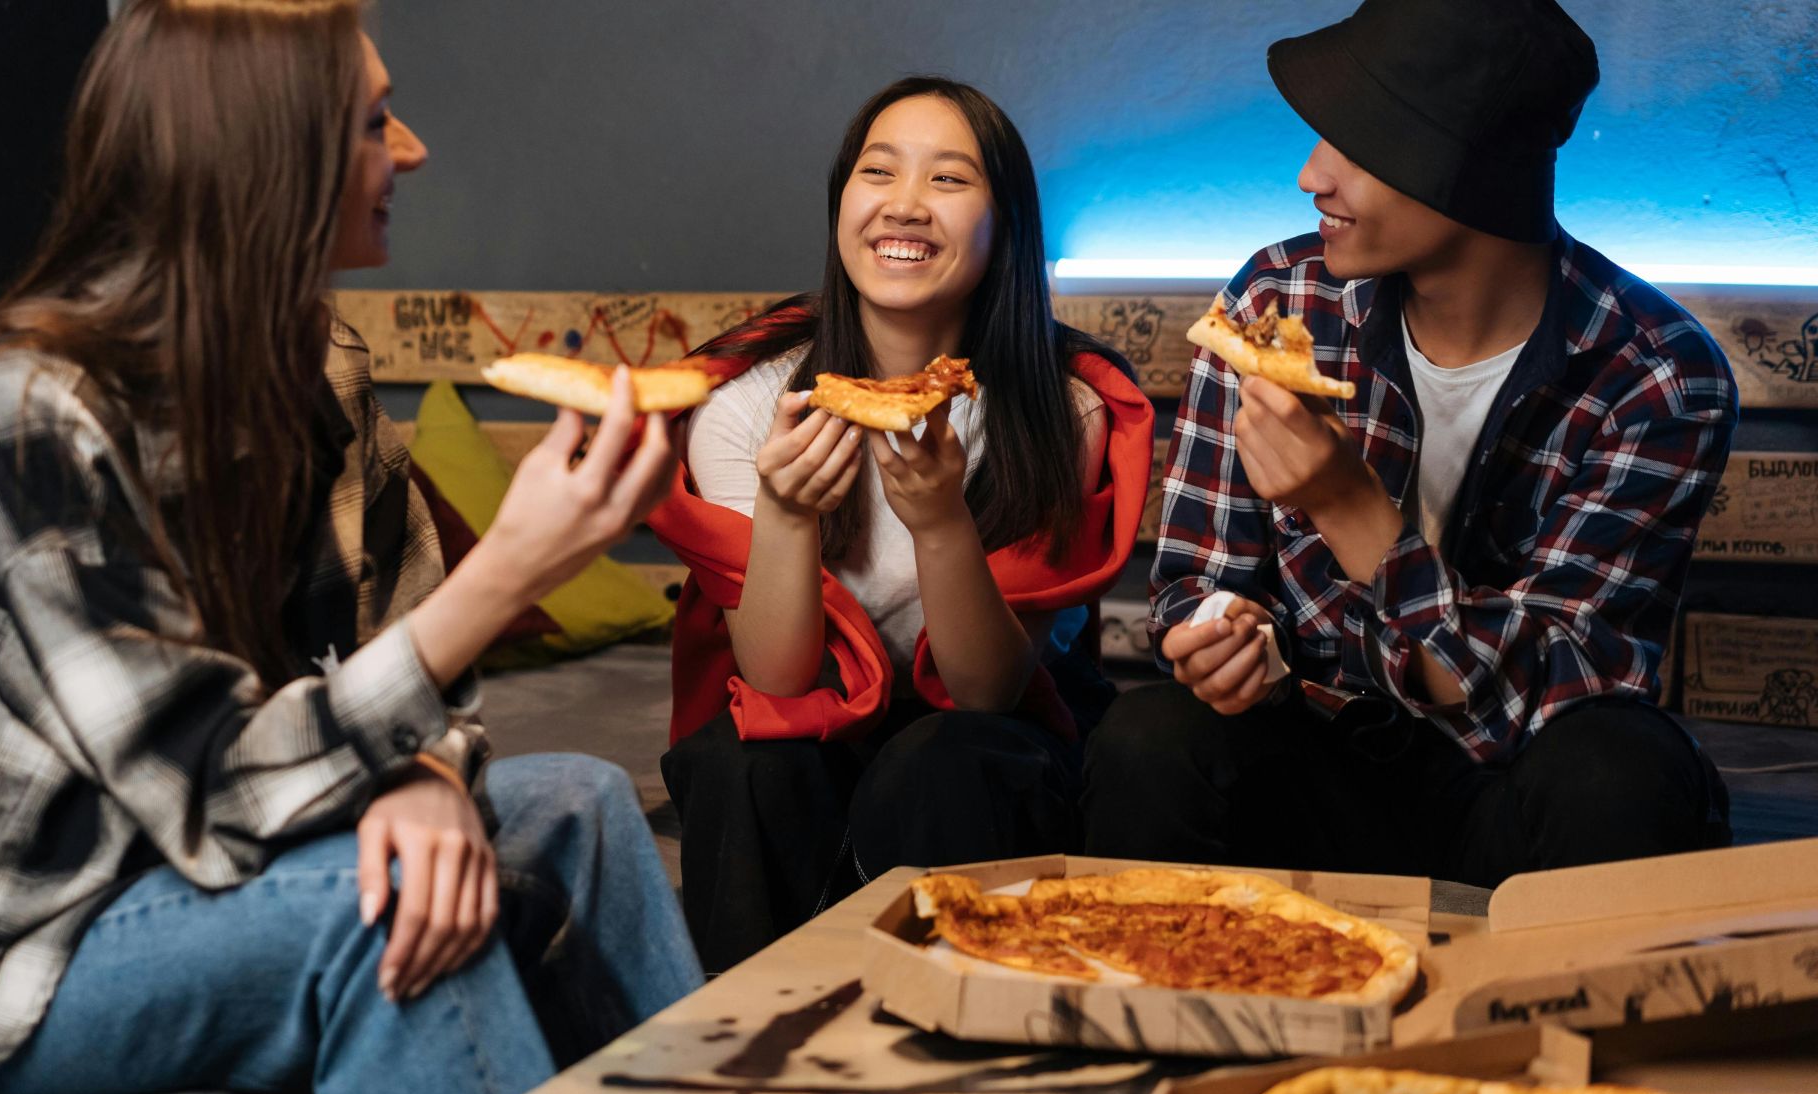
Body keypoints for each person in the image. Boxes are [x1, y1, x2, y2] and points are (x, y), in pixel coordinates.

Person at [0, 2, 698, 1094]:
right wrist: (507, 574)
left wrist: (419, 769)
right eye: (375, 121)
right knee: (376, 915)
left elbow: (362, 679)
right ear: (265, 153)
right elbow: (211, 780)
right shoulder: (31, 413)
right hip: (10, 952)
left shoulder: (316, 373)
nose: (410, 148)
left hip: (206, 854)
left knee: (584, 809)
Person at [1083, 0, 1735, 886]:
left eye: (1357, 143)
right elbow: (1197, 583)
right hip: (1312, 764)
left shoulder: (1655, 375)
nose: (1312, 176)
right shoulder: (1281, 302)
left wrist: (1350, 508)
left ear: (1470, 171)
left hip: (1510, 791)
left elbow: (1551, 694)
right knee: (1148, 739)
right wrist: (1229, 637)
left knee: (1622, 770)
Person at [650, 76, 1154, 972]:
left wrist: (941, 524)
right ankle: (750, 1049)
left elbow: (992, 691)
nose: (906, 206)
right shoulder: (746, 407)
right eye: (878, 172)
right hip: (811, 719)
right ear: (842, 201)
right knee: (743, 765)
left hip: (983, 738)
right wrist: (786, 511)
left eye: (951, 181)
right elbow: (775, 677)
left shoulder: (1063, 413)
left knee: (943, 758)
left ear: (1007, 224)